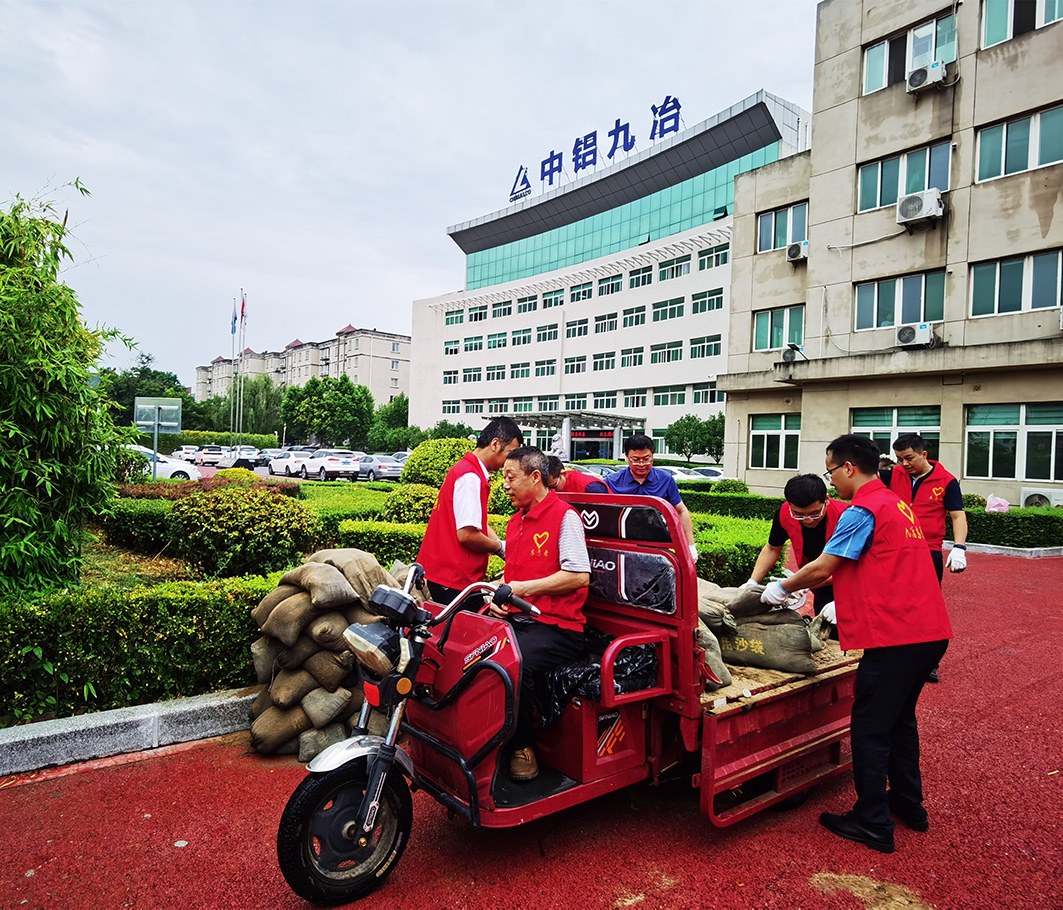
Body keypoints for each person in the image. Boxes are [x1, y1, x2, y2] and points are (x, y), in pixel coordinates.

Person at [760, 434, 952, 855]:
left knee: (868, 728)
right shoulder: (895, 504)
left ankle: (872, 822)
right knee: (900, 722)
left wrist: (781, 588)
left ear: (848, 467)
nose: (831, 482)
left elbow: (827, 565)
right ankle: (909, 807)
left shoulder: (862, 509)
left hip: (897, 637)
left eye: (831, 472)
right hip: (928, 633)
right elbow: (853, 567)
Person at [488, 446, 591, 781]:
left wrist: (520, 590)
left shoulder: (565, 517)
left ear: (535, 477)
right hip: (522, 621)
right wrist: (496, 595)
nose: (504, 485)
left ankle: (523, 747)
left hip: (559, 628)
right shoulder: (515, 521)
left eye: (509, 477)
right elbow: (512, 577)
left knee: (512, 664)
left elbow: (578, 576)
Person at [883, 433, 968, 682]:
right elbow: (867, 483)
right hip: (895, 550)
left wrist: (959, 547)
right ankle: (895, 653)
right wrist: (873, 465)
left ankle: (929, 662)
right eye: (899, 459)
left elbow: (957, 516)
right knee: (893, 602)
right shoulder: (895, 475)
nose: (904, 464)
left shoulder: (947, 481)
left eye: (908, 458)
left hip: (928, 552)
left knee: (925, 607)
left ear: (923, 454)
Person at [416, 417, 523, 606]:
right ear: (495, 444)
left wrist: (502, 546)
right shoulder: (470, 477)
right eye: (510, 453)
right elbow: (467, 535)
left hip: (445, 574)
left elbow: (477, 522)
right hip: (453, 576)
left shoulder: (467, 471)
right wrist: (498, 547)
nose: (510, 461)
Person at [746, 473, 848, 611]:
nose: (808, 520)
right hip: (818, 586)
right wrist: (752, 582)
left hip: (849, 584)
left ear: (827, 500)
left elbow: (852, 567)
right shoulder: (784, 513)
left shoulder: (846, 516)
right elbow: (772, 548)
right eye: (799, 514)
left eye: (815, 513)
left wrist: (797, 583)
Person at [604, 434, 698, 561]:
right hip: (623, 547)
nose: (641, 464)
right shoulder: (612, 481)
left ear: (653, 455)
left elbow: (681, 510)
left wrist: (690, 546)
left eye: (646, 459)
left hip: (658, 547)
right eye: (635, 459)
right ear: (626, 457)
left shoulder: (665, 479)